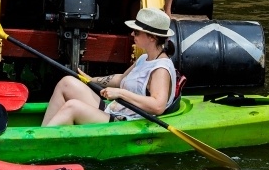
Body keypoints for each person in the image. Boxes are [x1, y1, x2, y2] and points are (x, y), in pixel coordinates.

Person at [41, 7, 177, 126]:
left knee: (72, 106)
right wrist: (91, 80)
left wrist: (120, 93)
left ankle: (39, 143)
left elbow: (158, 106)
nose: (131, 34)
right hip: (115, 110)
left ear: (152, 37)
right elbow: (121, 79)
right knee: (66, 83)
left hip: (127, 121)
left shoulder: (160, 69)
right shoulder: (144, 58)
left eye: (136, 32)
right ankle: (42, 133)